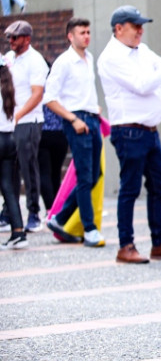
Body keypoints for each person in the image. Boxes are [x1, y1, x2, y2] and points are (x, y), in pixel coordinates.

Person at [97, 6, 161, 263]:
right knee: (130, 189)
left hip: (149, 130)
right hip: (128, 130)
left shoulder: (142, 50)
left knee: (159, 186)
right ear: (119, 29)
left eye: (141, 26)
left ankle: (159, 242)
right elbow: (143, 84)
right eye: (135, 26)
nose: (140, 30)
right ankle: (126, 246)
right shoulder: (111, 57)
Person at [43, 17, 107, 247]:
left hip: (92, 119)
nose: (87, 36)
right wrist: (73, 118)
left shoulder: (89, 58)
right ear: (70, 36)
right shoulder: (64, 62)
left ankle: (59, 218)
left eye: (88, 32)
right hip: (76, 120)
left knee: (94, 175)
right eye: (82, 32)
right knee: (85, 176)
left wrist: (94, 108)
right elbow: (49, 98)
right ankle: (89, 230)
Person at [4, 20, 46, 232]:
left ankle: (34, 214)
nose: (10, 41)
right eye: (9, 37)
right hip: (9, 122)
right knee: (8, 168)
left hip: (28, 121)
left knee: (27, 167)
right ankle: (8, 213)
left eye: (15, 37)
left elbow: (37, 95)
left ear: (27, 39)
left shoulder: (35, 61)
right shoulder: (9, 58)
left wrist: (18, 115)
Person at [0, 55, 27, 249]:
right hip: (9, 140)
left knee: (7, 186)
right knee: (8, 187)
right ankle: (18, 232)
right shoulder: (8, 89)